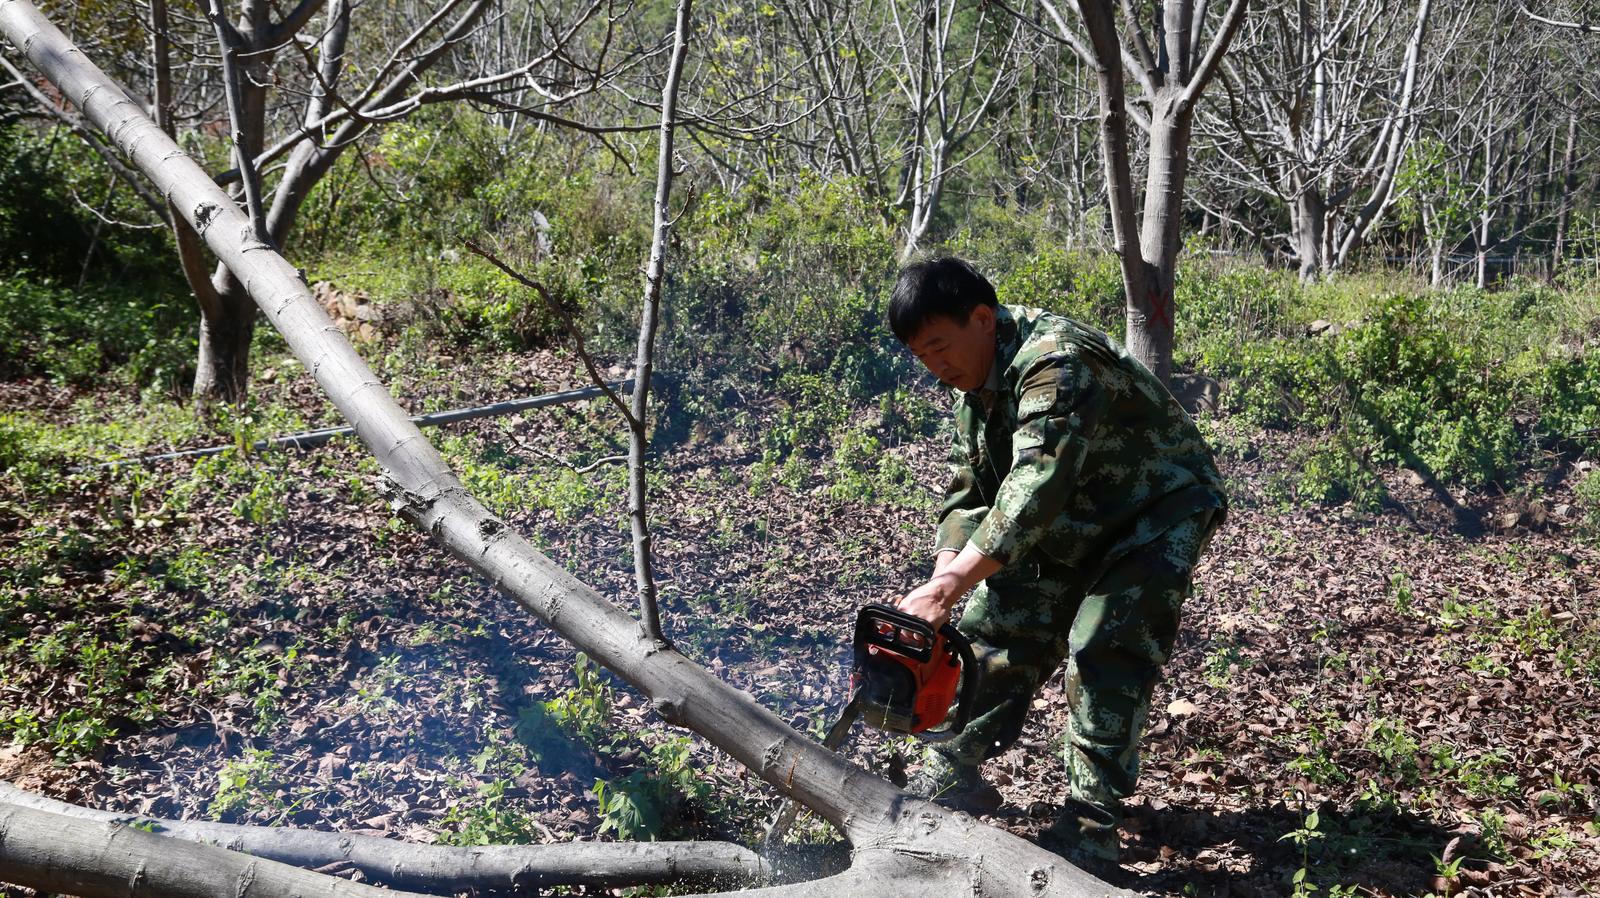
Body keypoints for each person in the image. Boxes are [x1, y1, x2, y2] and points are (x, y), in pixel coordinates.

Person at [887, 257, 1226, 865]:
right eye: (921, 355)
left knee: (1105, 648)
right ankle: (953, 769)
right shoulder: (976, 388)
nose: (934, 364)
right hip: (1072, 518)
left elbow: (1036, 486)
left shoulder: (1054, 362)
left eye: (940, 345)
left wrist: (951, 586)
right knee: (994, 628)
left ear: (983, 319)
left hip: (1153, 511)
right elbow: (974, 492)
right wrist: (944, 583)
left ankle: (1090, 827)